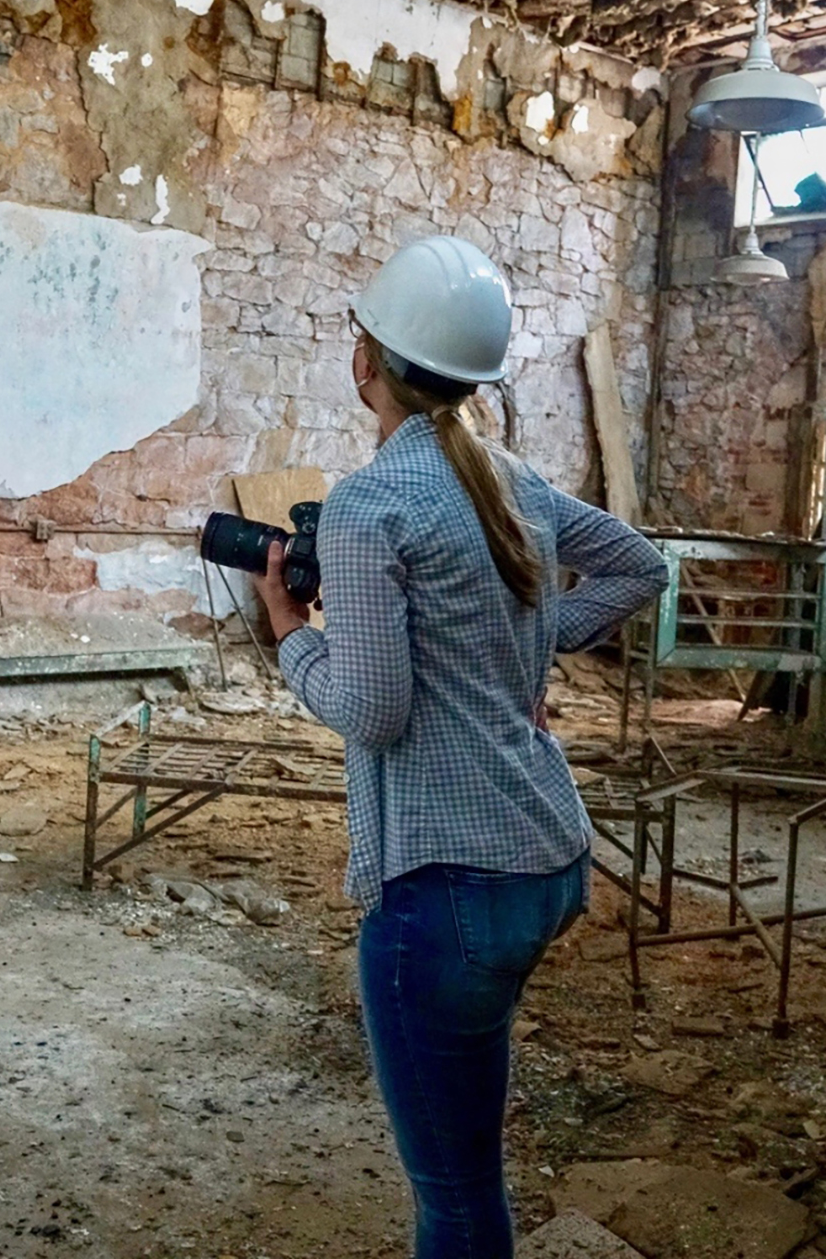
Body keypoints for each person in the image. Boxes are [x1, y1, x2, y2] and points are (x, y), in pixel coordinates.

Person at [251, 237, 668, 1258]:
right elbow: (638, 564)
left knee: (455, 1196)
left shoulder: (368, 502)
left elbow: (375, 711)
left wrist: (287, 633)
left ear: (365, 363)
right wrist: (518, 650)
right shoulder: (514, 479)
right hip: (544, 858)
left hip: (446, 890)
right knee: (470, 1148)